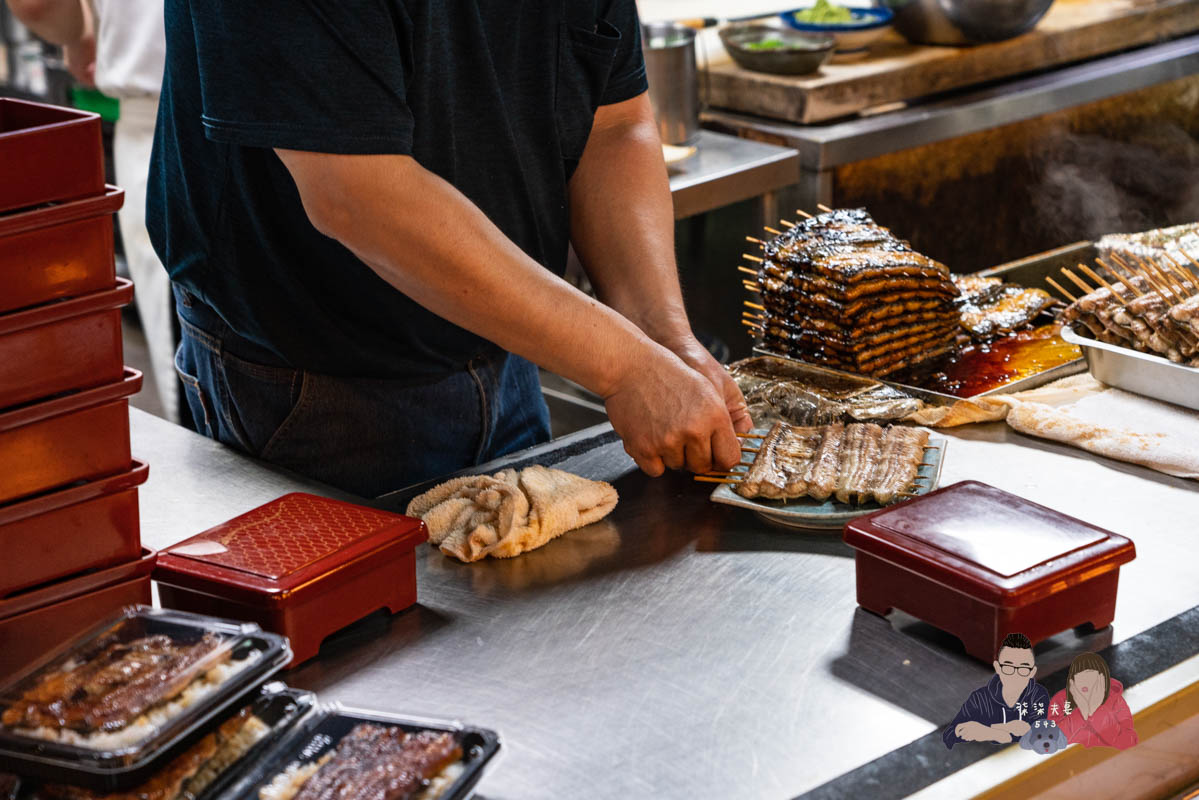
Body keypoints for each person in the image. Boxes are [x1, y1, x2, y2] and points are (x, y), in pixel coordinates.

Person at [149, 0, 751, 497]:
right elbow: (356, 194)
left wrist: (664, 340)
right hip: (312, 383)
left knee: (524, 593)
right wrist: (625, 367)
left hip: (507, 344)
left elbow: (613, 124)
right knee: (374, 613)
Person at [7, 0, 178, 422]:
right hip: (306, 104)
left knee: (215, 391)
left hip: (165, 122)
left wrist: (78, 37)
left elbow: (37, 5)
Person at [944, 633, 1050, 749]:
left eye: (1023, 668)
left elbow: (1043, 733)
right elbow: (949, 735)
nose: (1015, 675)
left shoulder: (1037, 696)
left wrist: (990, 730)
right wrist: (996, 732)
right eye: (1008, 667)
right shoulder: (980, 699)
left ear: (1032, 672)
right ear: (998, 668)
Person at [1047, 652, 1138, 750]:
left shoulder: (1115, 700)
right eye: (1079, 676)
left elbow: (1128, 740)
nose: (1084, 681)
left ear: (1101, 679)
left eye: (1089, 676)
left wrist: (1094, 710)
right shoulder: (1060, 701)